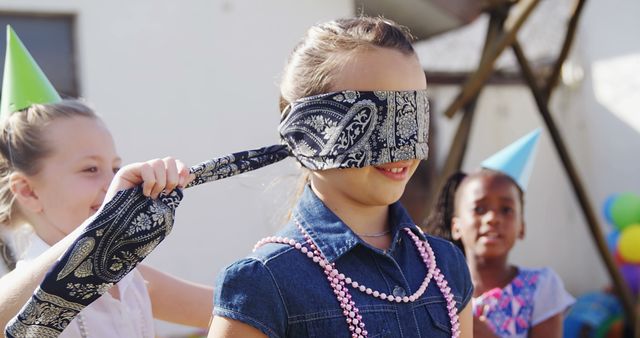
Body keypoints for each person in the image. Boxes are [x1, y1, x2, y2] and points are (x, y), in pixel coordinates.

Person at [208, 16, 474, 338]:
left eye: (413, 116)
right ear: (310, 130)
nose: (403, 148)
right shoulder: (265, 282)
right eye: (377, 119)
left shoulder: (445, 267)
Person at [0, 26, 212, 336]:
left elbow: (242, 306)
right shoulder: (17, 294)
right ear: (29, 191)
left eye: (115, 168)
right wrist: (95, 233)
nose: (113, 184)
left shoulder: (131, 280)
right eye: (90, 169)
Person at [425, 130, 575, 338]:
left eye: (506, 210)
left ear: (521, 226)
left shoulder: (541, 288)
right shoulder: (437, 292)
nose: (492, 218)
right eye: (479, 209)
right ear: (456, 226)